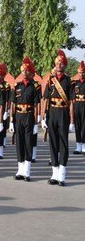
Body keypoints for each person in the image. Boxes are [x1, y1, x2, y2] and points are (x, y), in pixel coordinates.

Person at [43, 50, 75, 186]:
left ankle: (62, 174)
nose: (59, 65)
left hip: (63, 113)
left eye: (62, 63)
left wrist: (72, 121)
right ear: (55, 65)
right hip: (52, 113)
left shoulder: (70, 81)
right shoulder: (50, 80)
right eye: (57, 63)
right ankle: (54, 173)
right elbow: (45, 99)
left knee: (63, 143)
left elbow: (72, 102)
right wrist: (44, 116)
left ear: (65, 65)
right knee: (53, 143)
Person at [9, 57, 40, 181]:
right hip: (18, 116)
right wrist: (11, 120)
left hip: (29, 116)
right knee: (19, 142)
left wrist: (37, 121)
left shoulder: (35, 86)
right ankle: (20, 170)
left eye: (27, 70)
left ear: (31, 72)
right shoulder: (17, 86)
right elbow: (13, 104)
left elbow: (37, 104)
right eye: (23, 70)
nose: (24, 72)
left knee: (28, 142)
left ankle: (27, 171)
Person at [72, 61, 85, 154]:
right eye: (80, 72)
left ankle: (84, 146)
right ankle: (78, 147)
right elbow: (72, 99)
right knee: (78, 126)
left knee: (84, 127)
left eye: (83, 72)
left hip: (84, 106)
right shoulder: (74, 83)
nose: (81, 74)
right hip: (77, 106)